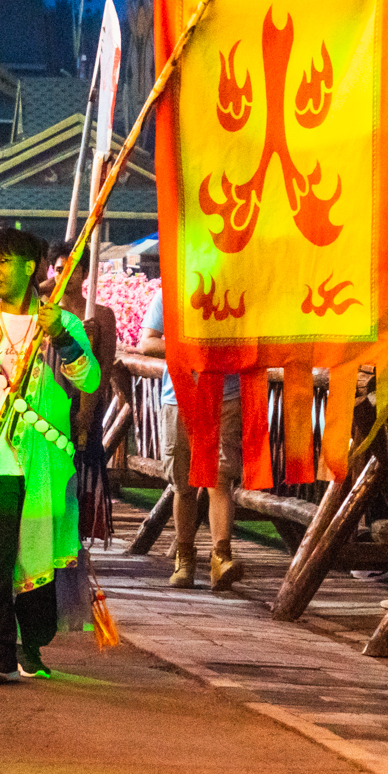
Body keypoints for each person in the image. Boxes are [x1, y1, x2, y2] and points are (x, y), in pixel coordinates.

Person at [0, 227, 100, 683]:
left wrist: (63, 341)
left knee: (38, 558)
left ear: (31, 267)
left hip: (47, 463)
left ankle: (32, 645)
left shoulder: (63, 324)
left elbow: (88, 381)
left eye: (3, 262)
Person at [135, 292, 244, 589]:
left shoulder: (239, 286)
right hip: (179, 396)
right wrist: (194, 351)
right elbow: (147, 342)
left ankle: (221, 556)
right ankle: (185, 557)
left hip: (226, 394)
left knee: (220, 478)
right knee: (182, 484)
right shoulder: (169, 291)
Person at [50, 240, 119, 541]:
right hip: (51, 406)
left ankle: (76, 541)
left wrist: (88, 410)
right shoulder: (45, 314)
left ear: (84, 273)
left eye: (73, 270)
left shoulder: (102, 316)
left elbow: (103, 368)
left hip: (85, 406)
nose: (66, 276)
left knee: (82, 477)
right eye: (59, 270)